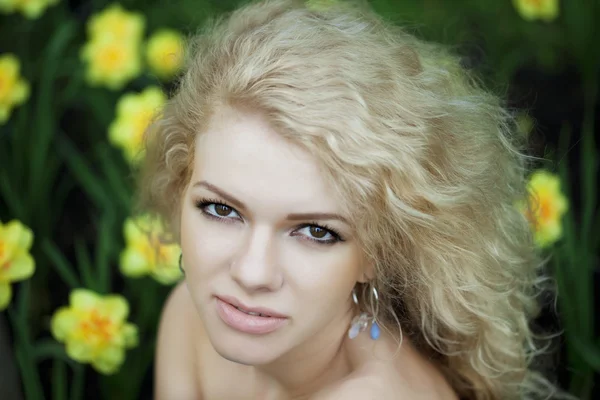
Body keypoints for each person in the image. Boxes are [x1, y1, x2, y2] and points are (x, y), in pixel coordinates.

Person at [140, 0, 560, 398]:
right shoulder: (191, 315)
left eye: (316, 232)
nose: (251, 274)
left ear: (378, 253)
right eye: (221, 209)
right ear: (180, 193)